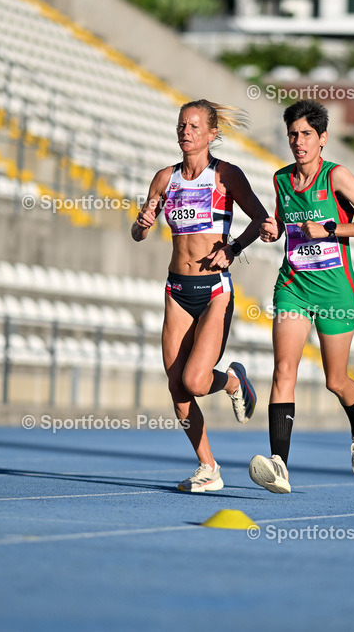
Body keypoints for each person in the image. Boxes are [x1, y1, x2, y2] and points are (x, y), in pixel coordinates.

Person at [248, 99, 354, 494]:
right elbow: (282, 225)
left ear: (323, 138)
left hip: (334, 291)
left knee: (335, 380)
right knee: (283, 371)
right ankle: (279, 465)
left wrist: (330, 229)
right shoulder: (280, 180)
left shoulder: (337, 177)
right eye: (293, 134)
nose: (298, 141)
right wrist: (273, 229)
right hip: (293, 286)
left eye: (306, 134)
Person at [131, 99, 268, 492]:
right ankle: (208, 467)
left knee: (194, 380)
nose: (185, 132)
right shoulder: (164, 179)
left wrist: (233, 248)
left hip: (214, 291)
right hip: (176, 290)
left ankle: (234, 383)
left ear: (211, 134)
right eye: (181, 125)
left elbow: (261, 220)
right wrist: (140, 226)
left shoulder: (225, 175)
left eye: (194, 126)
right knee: (177, 388)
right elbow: (140, 230)